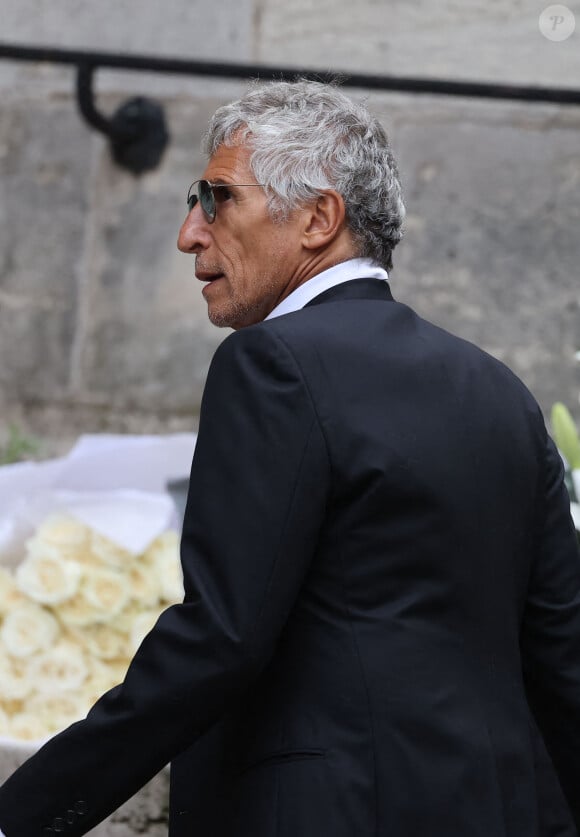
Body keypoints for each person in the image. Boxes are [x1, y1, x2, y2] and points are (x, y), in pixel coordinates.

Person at [1, 79, 579, 837]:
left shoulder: (272, 363)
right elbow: (564, 658)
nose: (189, 233)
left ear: (317, 218)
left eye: (217, 199)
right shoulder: (500, 391)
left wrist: (25, 814)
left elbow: (220, 638)